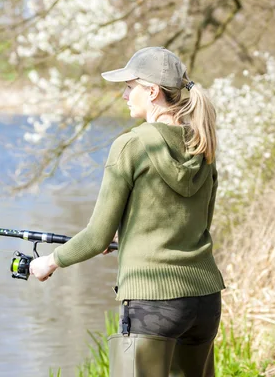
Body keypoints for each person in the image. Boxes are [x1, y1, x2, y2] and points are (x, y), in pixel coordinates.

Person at [29, 47, 226, 377]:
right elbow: (196, 225)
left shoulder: (131, 145)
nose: (124, 95)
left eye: (130, 86)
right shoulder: (202, 143)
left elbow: (95, 237)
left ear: (152, 91)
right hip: (204, 300)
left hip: (154, 301)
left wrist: (48, 262)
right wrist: (130, 234)